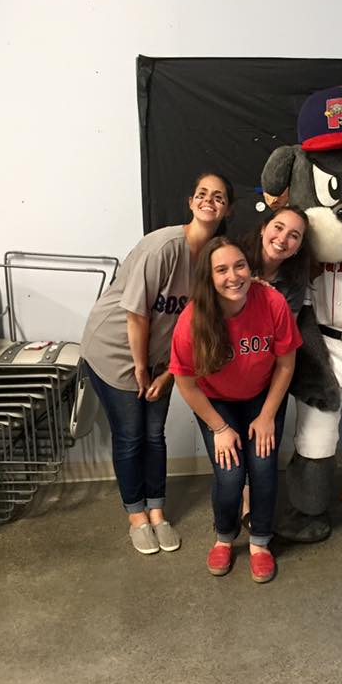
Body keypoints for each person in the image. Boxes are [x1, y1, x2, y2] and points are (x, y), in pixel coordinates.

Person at [81, 172, 232, 555]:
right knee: (131, 435)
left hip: (160, 359)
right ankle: (137, 516)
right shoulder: (162, 247)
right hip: (116, 350)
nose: (209, 201)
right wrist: (141, 367)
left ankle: (157, 511)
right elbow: (137, 315)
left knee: (154, 434)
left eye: (218, 197)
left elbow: (195, 326)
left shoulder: (212, 259)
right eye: (202, 194)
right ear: (190, 202)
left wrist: (166, 374)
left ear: (227, 208)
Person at [169, 238, 301, 584]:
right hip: (216, 403)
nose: (233, 276)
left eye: (239, 265)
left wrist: (268, 415)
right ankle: (224, 537)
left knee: (263, 467)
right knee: (229, 475)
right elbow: (186, 383)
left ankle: (260, 541)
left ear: (249, 267)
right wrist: (220, 428)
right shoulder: (192, 320)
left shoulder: (272, 301)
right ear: (209, 277)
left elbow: (286, 364)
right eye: (222, 269)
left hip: (262, 397)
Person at [238, 205, 310, 525]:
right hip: (229, 373)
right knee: (233, 453)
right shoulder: (236, 260)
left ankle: (257, 515)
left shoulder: (293, 282)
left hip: (269, 375)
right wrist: (251, 290)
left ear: (299, 247)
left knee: (263, 451)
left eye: (294, 236)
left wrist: (268, 301)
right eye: (278, 228)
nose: (283, 239)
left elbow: (283, 336)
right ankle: (238, 506)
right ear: (263, 228)